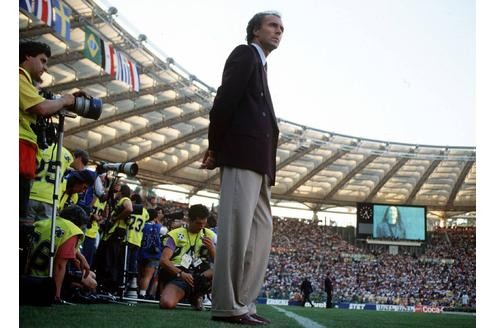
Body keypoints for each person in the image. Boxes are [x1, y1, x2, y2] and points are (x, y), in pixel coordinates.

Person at [201, 11, 284, 326]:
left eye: (281, 28)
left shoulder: (261, 64)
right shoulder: (245, 54)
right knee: (236, 234)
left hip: (259, 163)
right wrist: (215, 148)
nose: (279, 31)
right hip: (241, 156)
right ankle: (227, 305)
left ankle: (243, 302)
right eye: (273, 25)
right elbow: (223, 102)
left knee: (260, 234)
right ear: (255, 31)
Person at [19, 41, 80, 223]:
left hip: (25, 156)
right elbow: (41, 107)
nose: (45, 68)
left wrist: (68, 100)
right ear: (28, 56)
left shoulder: (26, 82)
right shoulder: (18, 77)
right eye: (43, 61)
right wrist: (63, 101)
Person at [26, 205, 97, 302]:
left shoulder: (43, 223)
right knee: (92, 282)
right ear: (76, 222)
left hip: (29, 274)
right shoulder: (71, 229)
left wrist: (80, 256)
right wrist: (56, 296)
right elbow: (59, 265)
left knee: (91, 274)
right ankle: (63, 291)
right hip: (45, 277)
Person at [158, 204, 216, 311]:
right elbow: (163, 260)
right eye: (198, 223)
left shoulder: (210, 235)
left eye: (204, 223)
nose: (202, 227)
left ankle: (197, 294)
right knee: (167, 304)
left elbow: (221, 262)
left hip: (199, 273)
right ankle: (191, 295)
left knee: (221, 269)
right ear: (189, 220)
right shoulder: (176, 234)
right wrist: (181, 273)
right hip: (179, 273)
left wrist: (212, 249)